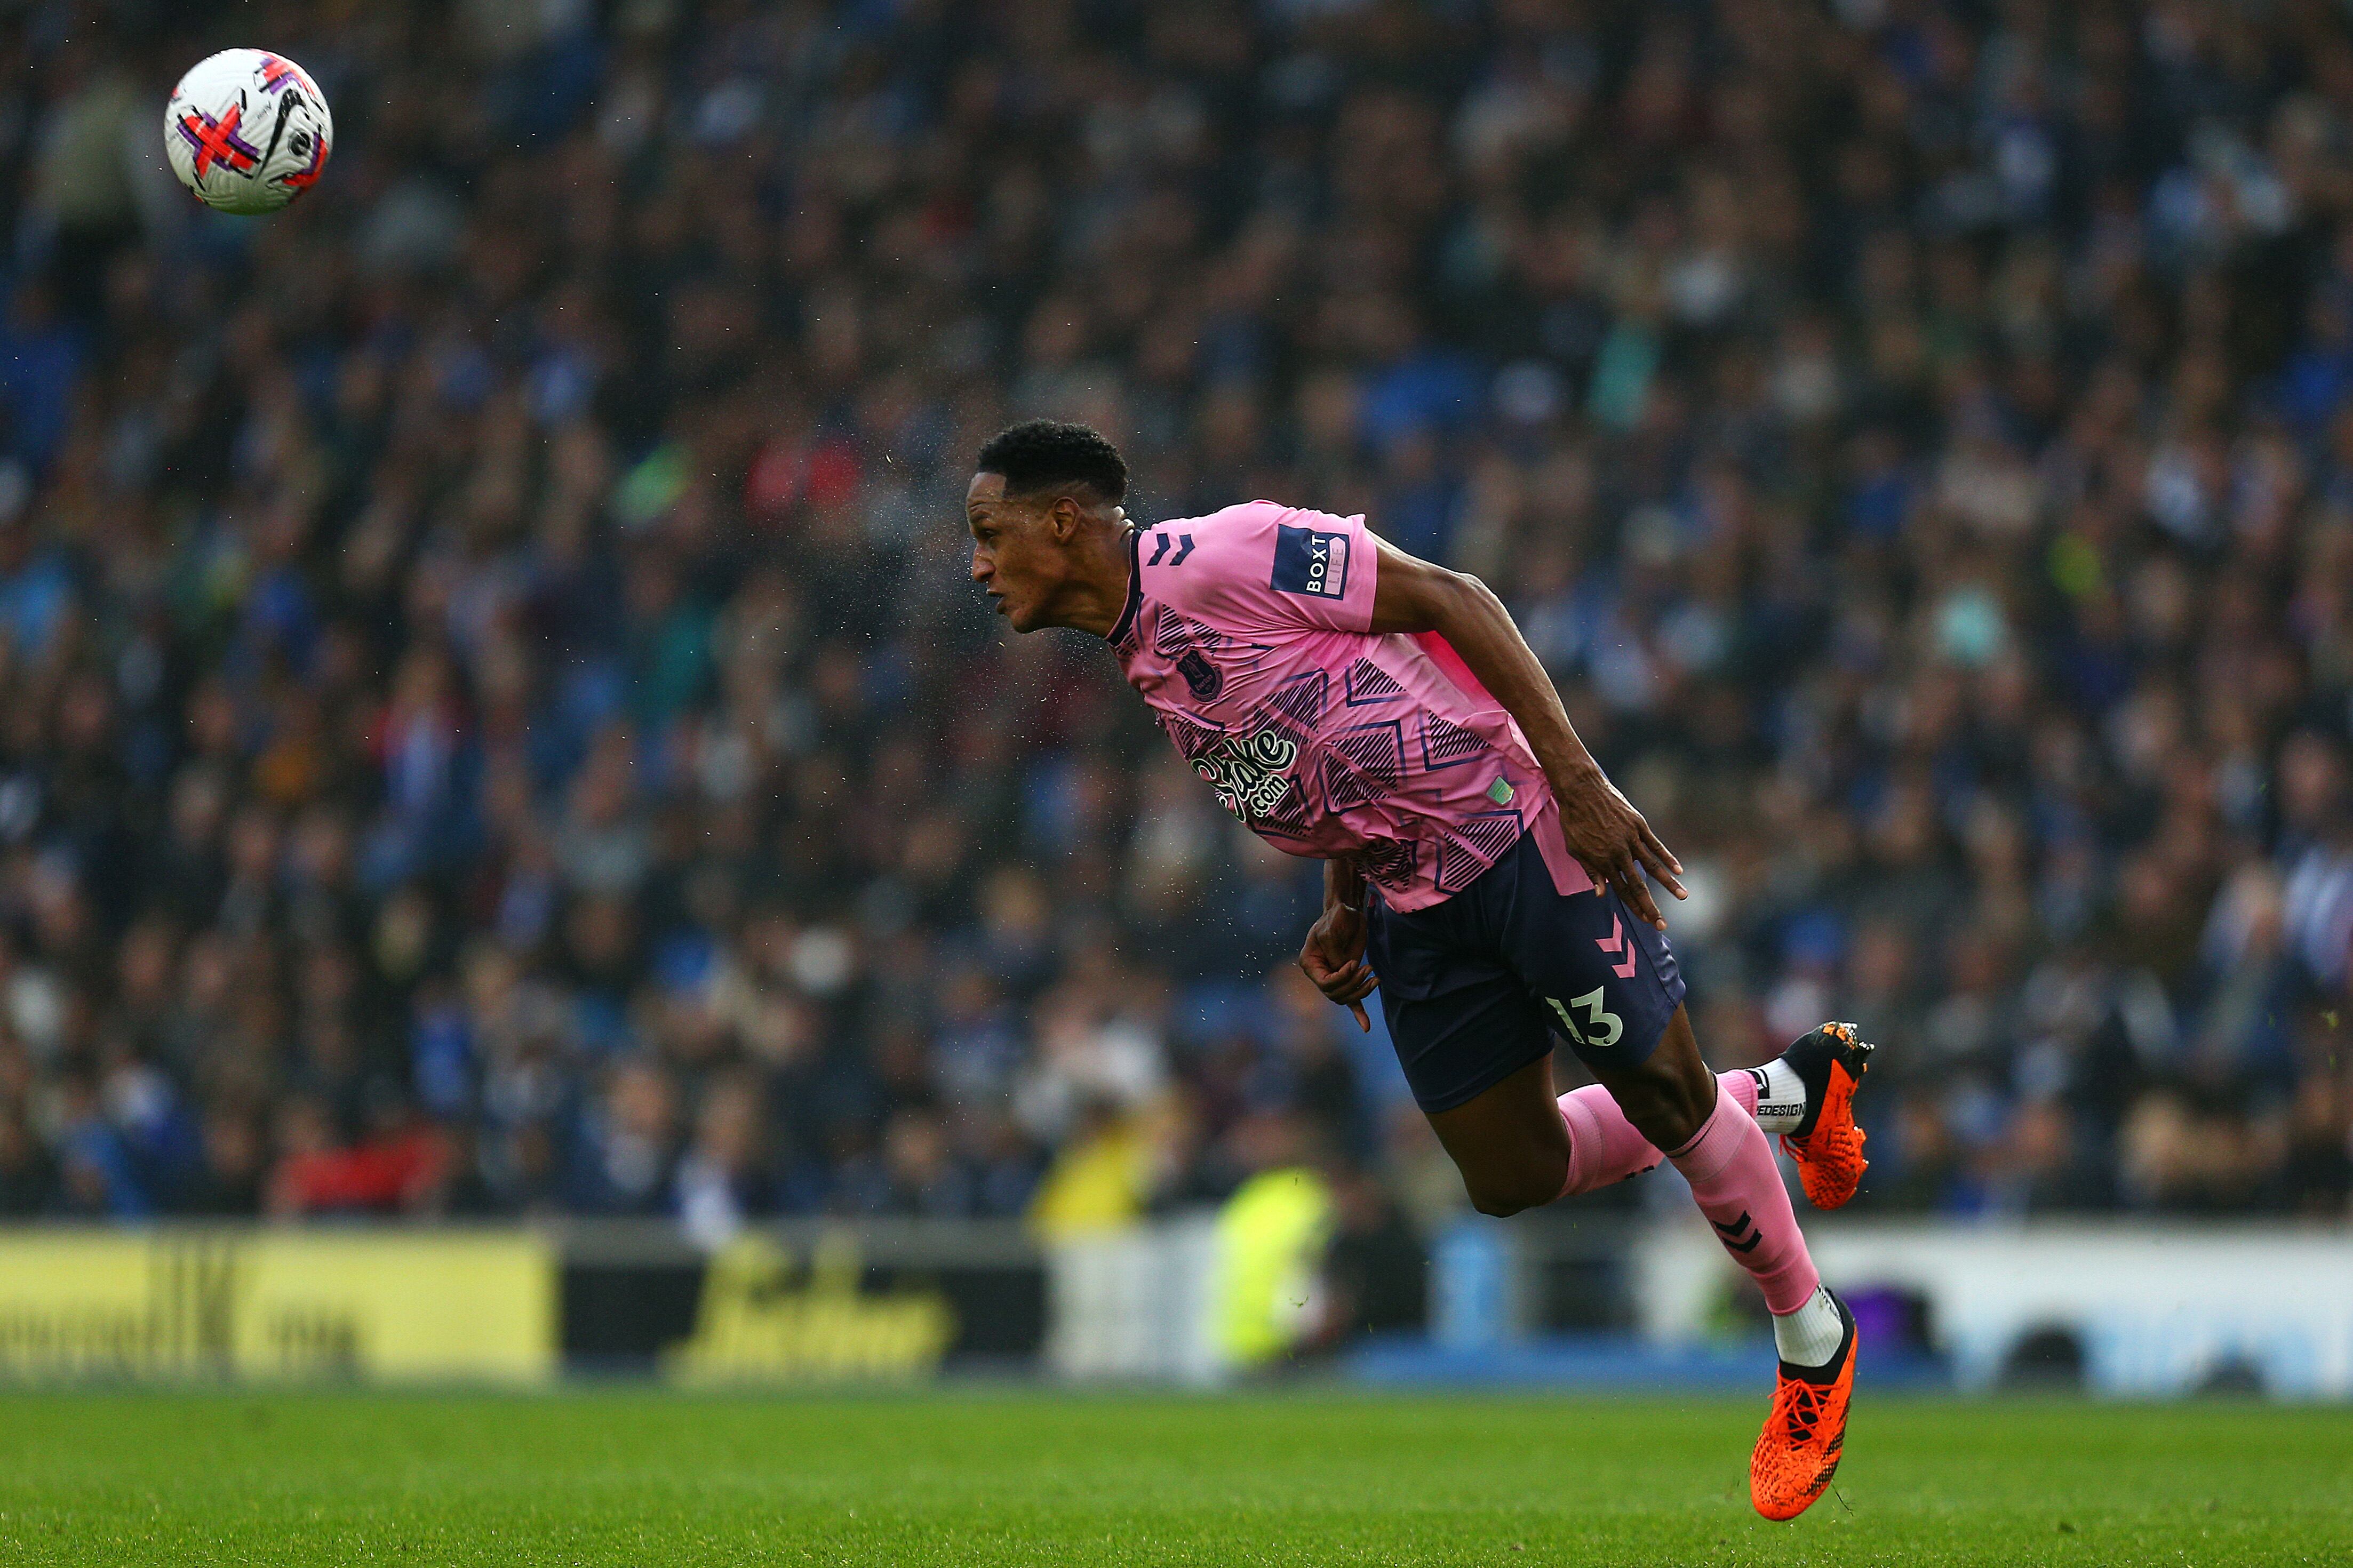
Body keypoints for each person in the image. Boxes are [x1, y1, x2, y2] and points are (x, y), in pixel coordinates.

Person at [965, 418, 1877, 1520]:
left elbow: (1455, 599)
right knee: (1509, 1176)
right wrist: (1341, 902)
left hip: (1514, 829)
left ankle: (1809, 1334)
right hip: (1410, 900)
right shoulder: (1142, 651)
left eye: (987, 533)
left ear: (1061, 522)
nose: (976, 566)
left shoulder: (1226, 553)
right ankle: (1789, 1091)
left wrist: (1579, 781)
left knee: (1672, 1100)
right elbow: (1325, 745)